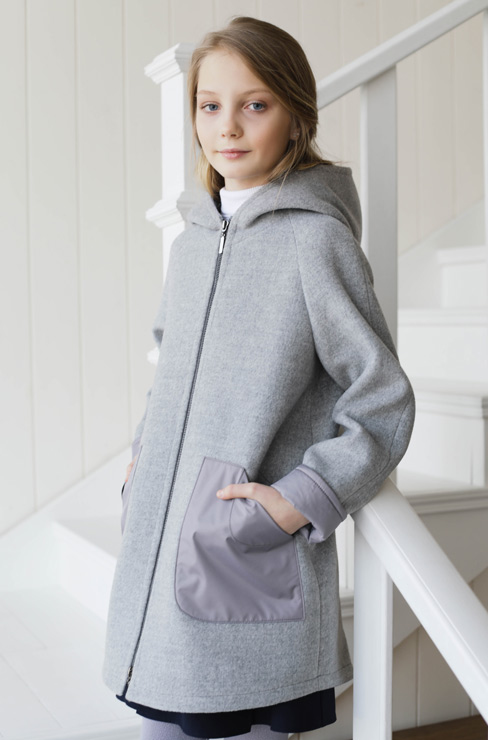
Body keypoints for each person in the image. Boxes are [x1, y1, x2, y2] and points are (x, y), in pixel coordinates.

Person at [102, 15, 416, 740]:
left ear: (296, 115)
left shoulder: (316, 241)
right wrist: (144, 458)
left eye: (255, 103)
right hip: (162, 550)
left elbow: (382, 399)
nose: (229, 126)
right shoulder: (190, 244)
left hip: (239, 550)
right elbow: (170, 367)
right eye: (210, 105)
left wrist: (299, 500)